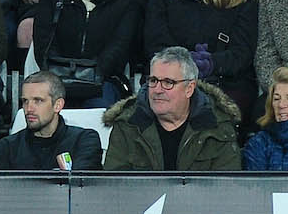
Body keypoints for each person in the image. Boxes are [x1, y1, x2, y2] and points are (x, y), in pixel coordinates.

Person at [103, 45, 243, 170]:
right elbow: (115, 189)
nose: (157, 89)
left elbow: (226, 191)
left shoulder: (218, 127)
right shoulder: (127, 124)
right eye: (153, 80)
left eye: (168, 82)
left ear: (189, 88)